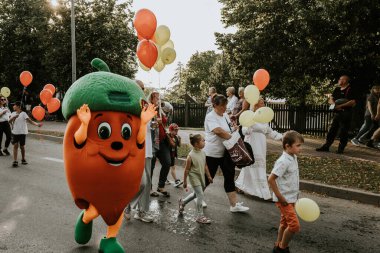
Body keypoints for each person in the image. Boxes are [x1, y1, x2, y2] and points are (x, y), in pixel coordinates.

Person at [204, 94, 249, 212]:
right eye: (222, 106)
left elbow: (229, 127)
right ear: (214, 105)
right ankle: (197, 196)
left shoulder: (225, 115)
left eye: (225, 105)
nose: (225, 108)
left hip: (226, 152)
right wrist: (233, 137)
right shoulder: (210, 116)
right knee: (207, 178)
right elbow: (218, 131)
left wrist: (234, 129)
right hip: (212, 153)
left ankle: (234, 205)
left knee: (229, 177)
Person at [235, 98, 282, 199]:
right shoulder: (250, 115)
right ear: (256, 105)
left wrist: (282, 137)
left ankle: (240, 185)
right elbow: (244, 131)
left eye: (264, 103)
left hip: (261, 144)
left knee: (256, 166)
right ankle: (260, 191)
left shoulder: (264, 117)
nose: (263, 105)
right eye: (261, 103)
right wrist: (250, 124)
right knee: (251, 165)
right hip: (252, 143)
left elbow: (269, 131)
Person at [268, 130, 304, 253]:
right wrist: (280, 197)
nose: (301, 148)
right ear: (287, 146)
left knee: (284, 223)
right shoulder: (283, 161)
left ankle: (278, 245)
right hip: (284, 199)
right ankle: (282, 248)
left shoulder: (293, 157)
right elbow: (271, 179)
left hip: (292, 197)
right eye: (298, 145)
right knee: (294, 226)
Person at [316, 75, 356, 153]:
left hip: (346, 114)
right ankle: (326, 146)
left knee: (343, 132)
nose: (339, 80)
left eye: (340, 79)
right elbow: (330, 99)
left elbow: (352, 102)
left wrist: (340, 106)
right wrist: (334, 106)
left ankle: (341, 149)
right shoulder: (337, 89)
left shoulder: (350, 89)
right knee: (332, 131)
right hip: (337, 114)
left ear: (345, 80)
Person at [179, 134, 213, 224]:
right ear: (196, 144)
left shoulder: (203, 153)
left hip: (200, 176)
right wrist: (185, 181)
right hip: (194, 177)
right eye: (202, 140)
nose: (204, 141)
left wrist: (209, 176)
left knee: (195, 194)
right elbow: (186, 170)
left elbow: (205, 166)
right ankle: (199, 216)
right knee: (200, 194)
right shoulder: (190, 156)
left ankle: (183, 202)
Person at [148, 91, 172, 197]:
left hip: (162, 141)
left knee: (167, 162)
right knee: (151, 166)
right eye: (157, 98)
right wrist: (155, 122)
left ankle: (160, 186)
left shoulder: (160, 109)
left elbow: (169, 110)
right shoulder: (147, 109)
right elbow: (148, 126)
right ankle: (149, 188)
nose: (159, 99)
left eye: (159, 97)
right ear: (152, 98)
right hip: (152, 142)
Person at [9, 101, 42, 167]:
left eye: (14, 105)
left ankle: (23, 159)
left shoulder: (23, 113)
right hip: (15, 132)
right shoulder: (12, 113)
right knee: (15, 146)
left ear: (18, 106)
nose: (13, 106)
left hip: (22, 132)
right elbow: (9, 121)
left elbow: (29, 121)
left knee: (22, 147)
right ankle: (15, 161)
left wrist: (37, 124)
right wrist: (13, 117)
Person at [167, 123, 183, 187]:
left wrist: (180, 139)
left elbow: (179, 145)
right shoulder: (167, 136)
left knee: (170, 167)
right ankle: (176, 180)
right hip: (168, 154)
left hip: (173, 155)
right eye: (175, 130)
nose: (177, 131)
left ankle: (165, 179)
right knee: (170, 167)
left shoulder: (176, 137)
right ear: (170, 130)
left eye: (177, 130)